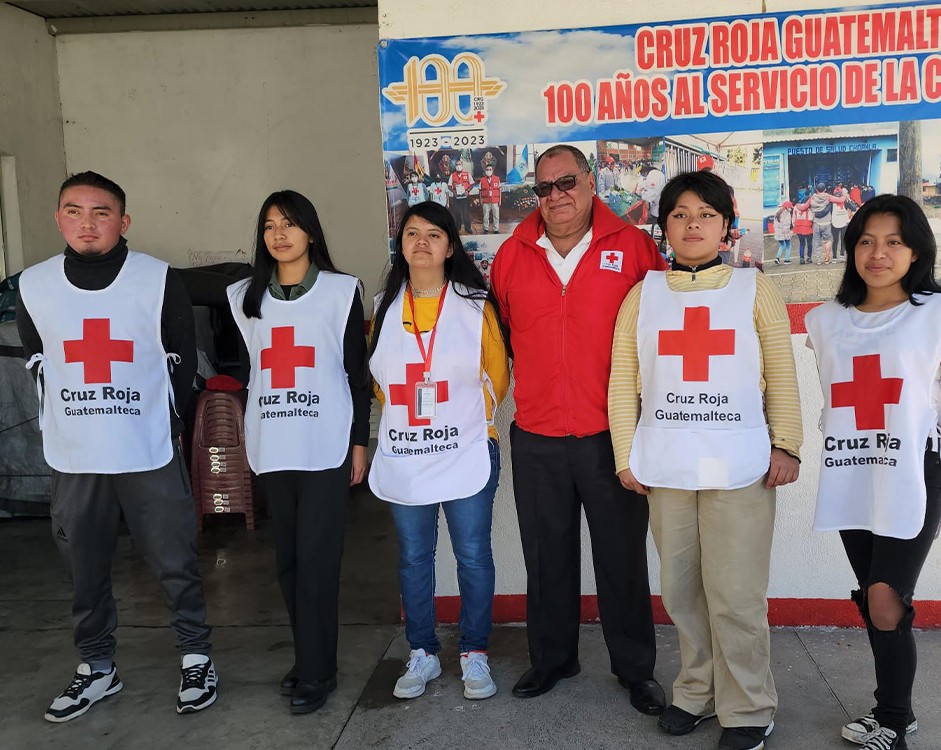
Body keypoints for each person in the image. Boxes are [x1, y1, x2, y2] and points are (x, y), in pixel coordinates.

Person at [609, 170, 802, 750]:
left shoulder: (754, 288)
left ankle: (747, 707)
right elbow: (624, 380)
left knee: (736, 593)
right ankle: (696, 690)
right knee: (682, 591)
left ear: (725, 227)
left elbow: (781, 373)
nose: (692, 224)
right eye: (680, 214)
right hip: (667, 465)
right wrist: (625, 453)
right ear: (664, 226)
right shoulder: (643, 295)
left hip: (739, 464)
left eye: (706, 215)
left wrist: (787, 442)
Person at [16, 171, 217, 722]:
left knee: (174, 560)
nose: (87, 222)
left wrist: (167, 425)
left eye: (101, 212)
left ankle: (196, 656)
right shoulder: (33, 286)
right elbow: (41, 359)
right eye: (74, 211)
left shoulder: (156, 279)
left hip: (146, 448)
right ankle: (97, 667)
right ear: (58, 218)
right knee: (84, 565)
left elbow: (181, 357)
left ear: (123, 221)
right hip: (76, 454)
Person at [490, 144, 667, 714]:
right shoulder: (512, 254)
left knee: (622, 558)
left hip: (611, 436)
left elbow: (661, 336)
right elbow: (504, 335)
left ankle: (636, 670)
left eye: (566, 182)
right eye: (543, 188)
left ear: (590, 182)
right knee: (545, 555)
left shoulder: (635, 247)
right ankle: (552, 658)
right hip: (537, 433)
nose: (556, 196)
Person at [805, 194, 941, 750]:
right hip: (852, 468)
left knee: (887, 598)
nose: (877, 253)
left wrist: (933, 466)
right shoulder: (825, 321)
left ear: (915, 251)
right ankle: (889, 712)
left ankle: (895, 721)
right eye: (865, 240)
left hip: (915, 471)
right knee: (871, 593)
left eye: (893, 242)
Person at [226, 190, 369, 714]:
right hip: (272, 443)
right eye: (269, 226)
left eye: (289, 224)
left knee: (317, 560)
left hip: (326, 444)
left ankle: (318, 671)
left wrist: (360, 441)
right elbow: (251, 375)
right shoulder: (244, 296)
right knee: (286, 562)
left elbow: (357, 372)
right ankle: (308, 656)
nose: (278, 234)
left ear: (311, 231)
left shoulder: (340, 291)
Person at [368, 201, 509, 702]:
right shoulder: (386, 309)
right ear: (400, 244)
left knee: (472, 556)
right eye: (411, 233)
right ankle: (422, 651)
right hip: (407, 450)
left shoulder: (475, 305)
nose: (421, 242)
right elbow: (380, 381)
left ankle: (474, 652)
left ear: (451, 246)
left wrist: (454, 422)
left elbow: (497, 375)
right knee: (414, 557)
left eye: (433, 234)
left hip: (465, 446)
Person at [449, 159, 474, 233]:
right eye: (457, 165)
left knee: (466, 213)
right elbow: (449, 186)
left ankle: (468, 228)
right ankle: (457, 227)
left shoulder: (467, 174)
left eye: (459, 164)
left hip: (465, 197)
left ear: (462, 165)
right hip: (456, 197)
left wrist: (468, 191)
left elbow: (472, 184)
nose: (458, 166)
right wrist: (454, 192)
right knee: (457, 213)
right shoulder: (452, 175)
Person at [831, 184, 852, 263]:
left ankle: (834, 257)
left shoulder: (831, 203)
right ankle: (842, 255)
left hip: (834, 223)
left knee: (835, 240)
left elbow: (827, 211)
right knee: (843, 240)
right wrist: (848, 199)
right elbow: (853, 207)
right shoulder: (845, 202)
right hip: (844, 223)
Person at [478, 163, 502, 233]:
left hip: (495, 200)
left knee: (496, 215)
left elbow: (499, 190)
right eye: (487, 169)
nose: (489, 171)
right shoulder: (482, 180)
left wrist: (500, 200)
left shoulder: (497, 179)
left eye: (490, 169)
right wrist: (480, 200)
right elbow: (480, 191)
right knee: (485, 216)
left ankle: (496, 229)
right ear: (485, 171)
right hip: (485, 200)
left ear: (492, 170)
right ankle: (486, 229)